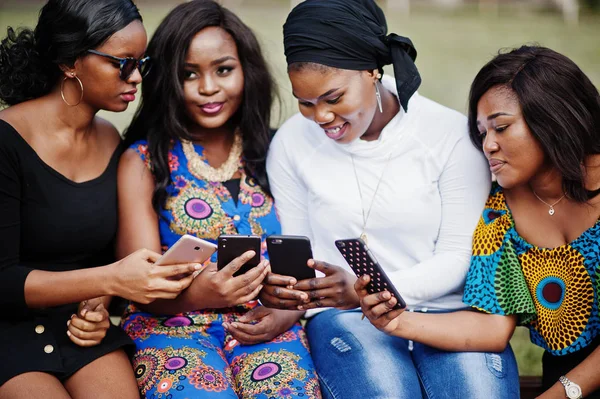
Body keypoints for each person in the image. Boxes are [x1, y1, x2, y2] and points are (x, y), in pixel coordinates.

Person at [262, 0, 519, 398]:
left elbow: (455, 258)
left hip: (447, 314)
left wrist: (365, 290)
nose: (321, 117)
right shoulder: (292, 143)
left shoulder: (448, 136)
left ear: (372, 71)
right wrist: (297, 299)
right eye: (306, 102)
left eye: (333, 98)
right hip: (344, 317)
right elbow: (301, 254)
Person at [359, 45, 600, 399]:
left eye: (501, 127)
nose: (488, 145)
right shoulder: (498, 215)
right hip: (566, 377)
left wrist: (563, 393)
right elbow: (491, 326)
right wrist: (396, 321)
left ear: (552, 118)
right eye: (482, 133)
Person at [117, 1, 320, 398]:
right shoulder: (144, 161)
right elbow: (137, 286)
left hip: (266, 324)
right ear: (165, 81)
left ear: (247, 70)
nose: (208, 88)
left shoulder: (279, 150)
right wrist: (204, 294)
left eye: (223, 70)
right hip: (170, 327)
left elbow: (311, 257)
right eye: (188, 74)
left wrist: (288, 310)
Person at [0, 1, 202, 398]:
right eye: (122, 63)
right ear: (70, 61)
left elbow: (101, 253)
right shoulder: (7, 141)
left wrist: (100, 300)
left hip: (79, 327)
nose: (136, 77)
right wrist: (111, 279)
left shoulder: (110, 139)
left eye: (140, 63)